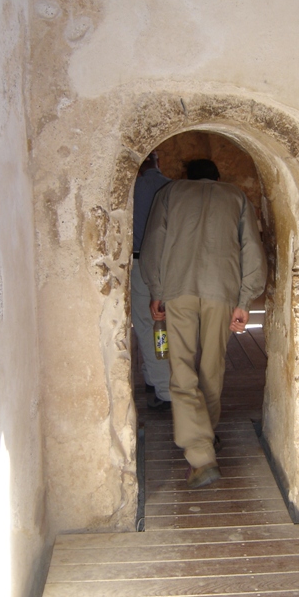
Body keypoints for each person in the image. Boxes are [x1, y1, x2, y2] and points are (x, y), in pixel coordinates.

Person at [139, 159, 267, 488]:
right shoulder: (236, 197)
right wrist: (245, 301)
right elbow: (252, 249)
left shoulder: (171, 192)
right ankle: (206, 438)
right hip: (222, 292)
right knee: (213, 367)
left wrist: (156, 290)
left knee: (181, 371)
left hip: (178, 290)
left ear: (188, 175)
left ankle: (200, 455)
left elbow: (154, 241)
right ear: (217, 177)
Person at [131, 151, 171, 409]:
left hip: (138, 262)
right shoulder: (172, 187)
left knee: (147, 325)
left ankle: (164, 389)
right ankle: (153, 377)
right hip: (167, 265)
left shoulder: (132, 190)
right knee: (161, 324)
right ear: (158, 161)